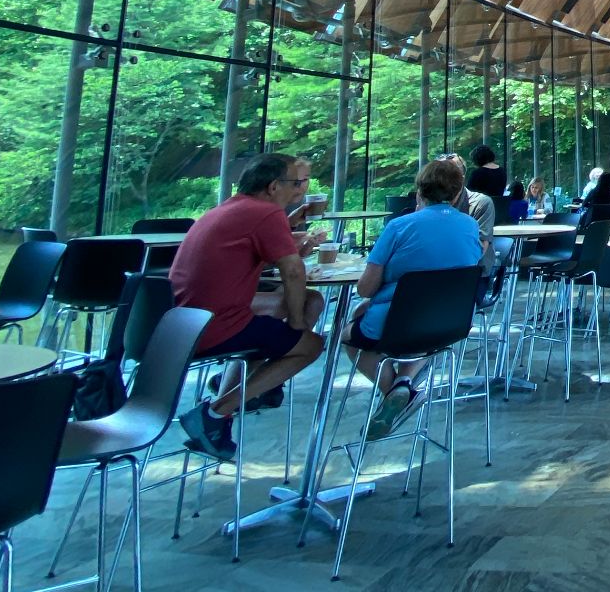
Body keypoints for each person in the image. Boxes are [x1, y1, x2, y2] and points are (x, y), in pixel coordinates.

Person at [172, 152, 328, 461]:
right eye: (293, 184)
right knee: (310, 345)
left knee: (311, 300)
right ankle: (217, 412)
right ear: (273, 187)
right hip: (216, 325)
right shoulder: (264, 214)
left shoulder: (226, 210)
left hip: (182, 323)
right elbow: (293, 270)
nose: (297, 191)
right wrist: (296, 323)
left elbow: (264, 256)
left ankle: (253, 389)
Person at [345, 158, 484, 440]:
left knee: (349, 334)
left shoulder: (399, 226)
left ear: (419, 190)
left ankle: (393, 393)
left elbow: (366, 288)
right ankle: (405, 381)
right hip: (450, 322)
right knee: (421, 338)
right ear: (457, 193)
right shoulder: (470, 226)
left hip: (398, 322)